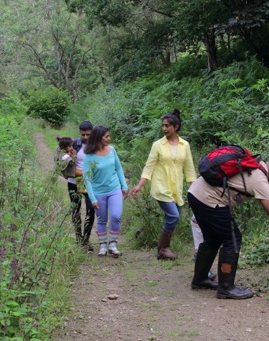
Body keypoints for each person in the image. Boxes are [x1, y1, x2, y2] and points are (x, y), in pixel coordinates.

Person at [188, 157, 269, 299]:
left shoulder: (256, 165)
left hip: (195, 194)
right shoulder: (259, 180)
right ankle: (225, 288)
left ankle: (200, 280)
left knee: (212, 239)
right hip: (208, 199)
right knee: (233, 239)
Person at [131, 109, 197, 260]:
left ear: (176, 127)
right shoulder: (158, 145)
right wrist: (139, 186)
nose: (164, 129)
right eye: (163, 126)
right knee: (173, 216)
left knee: (175, 217)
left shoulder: (184, 145)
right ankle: (163, 249)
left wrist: (195, 188)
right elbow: (149, 166)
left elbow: (189, 168)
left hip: (176, 188)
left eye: (167, 126)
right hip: (161, 187)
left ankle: (163, 249)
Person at [82, 126, 129, 257]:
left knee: (115, 216)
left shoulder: (112, 150)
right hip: (98, 192)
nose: (109, 138)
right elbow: (87, 179)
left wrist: (124, 186)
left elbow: (118, 169)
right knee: (102, 219)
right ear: (99, 138)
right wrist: (93, 199)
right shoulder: (89, 156)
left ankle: (113, 244)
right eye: (107, 136)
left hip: (114, 189)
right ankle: (103, 245)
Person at [66, 121, 95, 250]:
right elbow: (62, 159)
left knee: (91, 209)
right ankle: (78, 239)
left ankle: (86, 239)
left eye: (88, 134)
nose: (85, 137)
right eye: (83, 134)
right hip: (74, 182)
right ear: (79, 133)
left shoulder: (97, 146)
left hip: (90, 184)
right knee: (75, 209)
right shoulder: (73, 144)